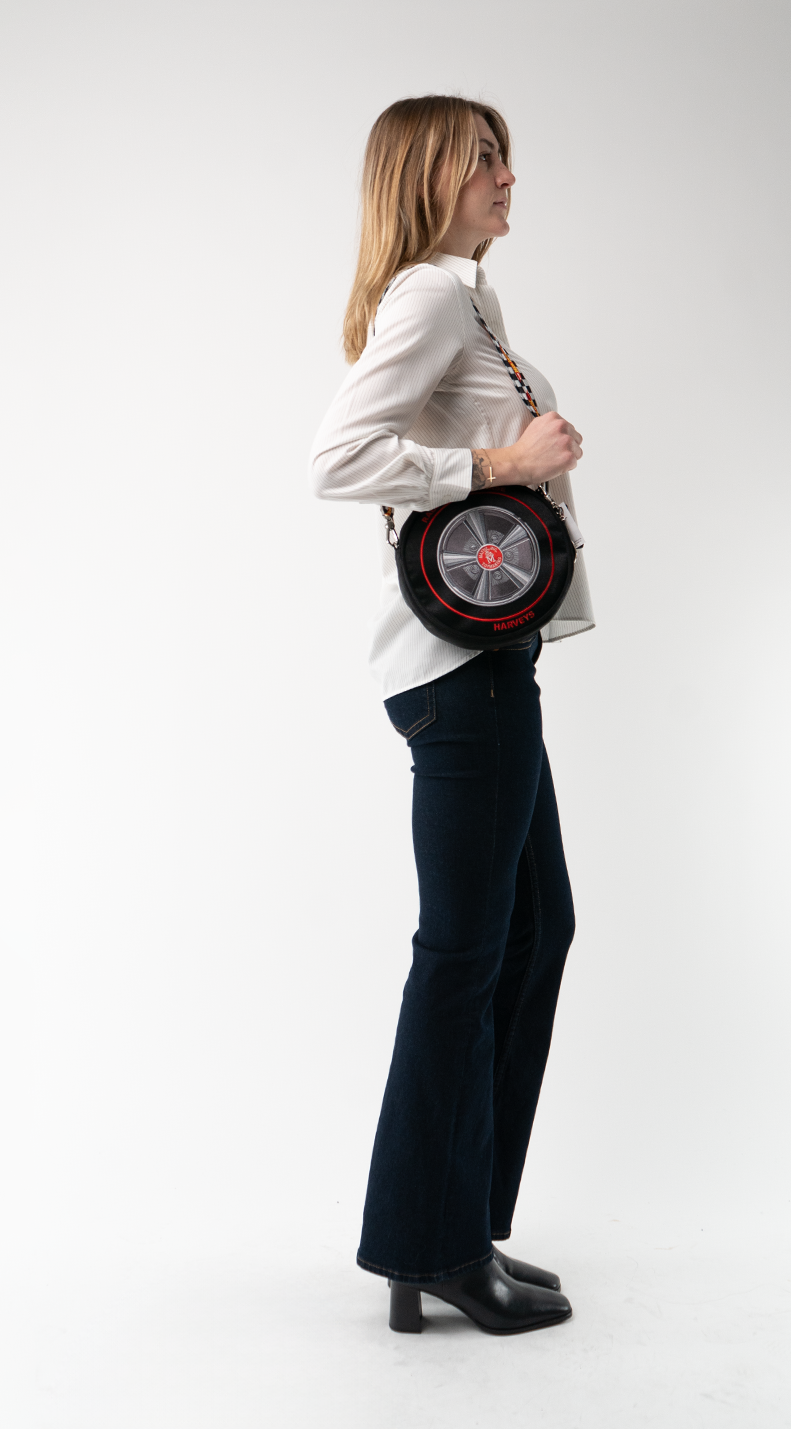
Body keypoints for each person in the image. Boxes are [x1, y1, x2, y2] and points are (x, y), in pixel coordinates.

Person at [310, 95, 595, 1335]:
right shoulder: (431, 294)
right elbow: (336, 459)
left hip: (489, 666)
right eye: (484, 159)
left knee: (533, 931)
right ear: (429, 176)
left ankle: (457, 1223)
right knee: (469, 953)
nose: (507, 176)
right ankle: (430, 1246)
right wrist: (498, 465)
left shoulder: (468, 298)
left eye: (505, 156)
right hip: (458, 675)